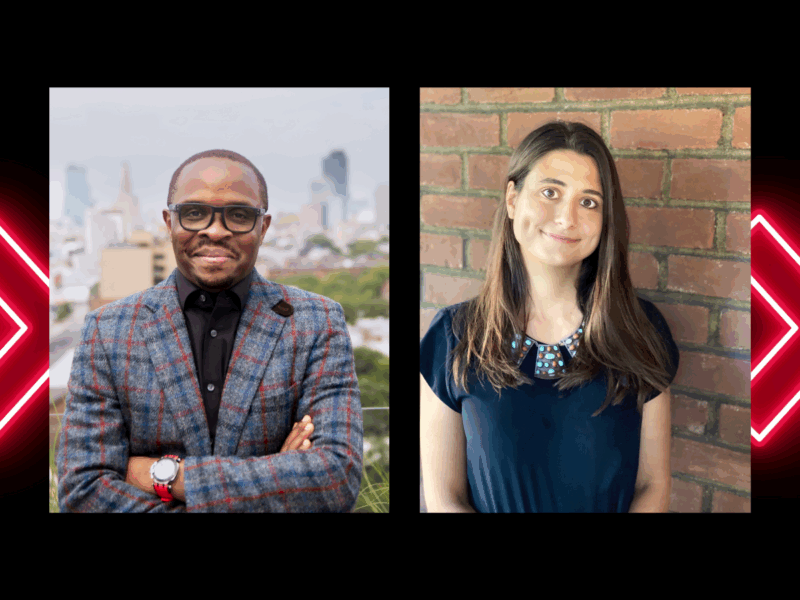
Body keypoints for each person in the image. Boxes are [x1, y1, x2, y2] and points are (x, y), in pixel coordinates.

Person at [57, 149, 363, 512]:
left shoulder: (316, 321)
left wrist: (164, 475)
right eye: (194, 213)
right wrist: (277, 477)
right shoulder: (108, 330)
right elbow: (82, 490)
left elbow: (335, 477)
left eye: (238, 215)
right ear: (169, 222)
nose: (215, 231)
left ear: (262, 228)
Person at [420, 122, 679, 513]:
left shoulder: (641, 330)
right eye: (550, 192)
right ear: (512, 199)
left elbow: (652, 485)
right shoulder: (454, 337)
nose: (567, 218)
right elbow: (444, 498)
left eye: (589, 201)